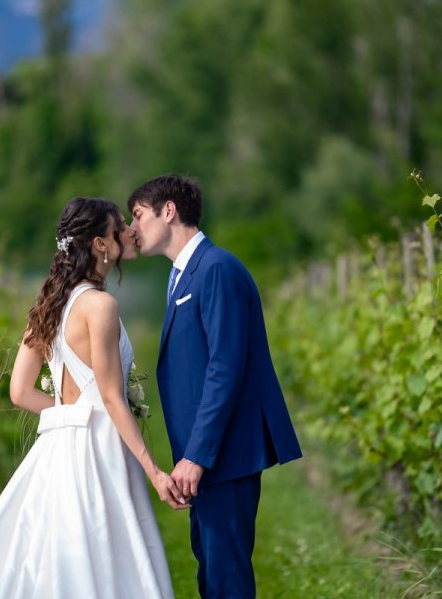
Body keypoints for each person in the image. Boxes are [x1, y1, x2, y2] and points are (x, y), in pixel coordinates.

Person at [0, 197, 187, 599]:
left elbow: (20, 392)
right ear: (100, 245)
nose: (127, 232)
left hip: (56, 452)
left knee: (58, 557)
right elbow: (110, 397)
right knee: (108, 557)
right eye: (119, 226)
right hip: (97, 453)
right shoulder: (100, 306)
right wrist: (154, 471)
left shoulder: (51, 305)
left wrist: (70, 413)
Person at [128, 174, 303, 598]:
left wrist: (198, 456)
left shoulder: (218, 269)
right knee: (211, 570)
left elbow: (225, 368)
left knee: (226, 578)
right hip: (207, 458)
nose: (131, 229)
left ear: (168, 211)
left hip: (224, 454)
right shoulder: (183, 275)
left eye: (137, 215)